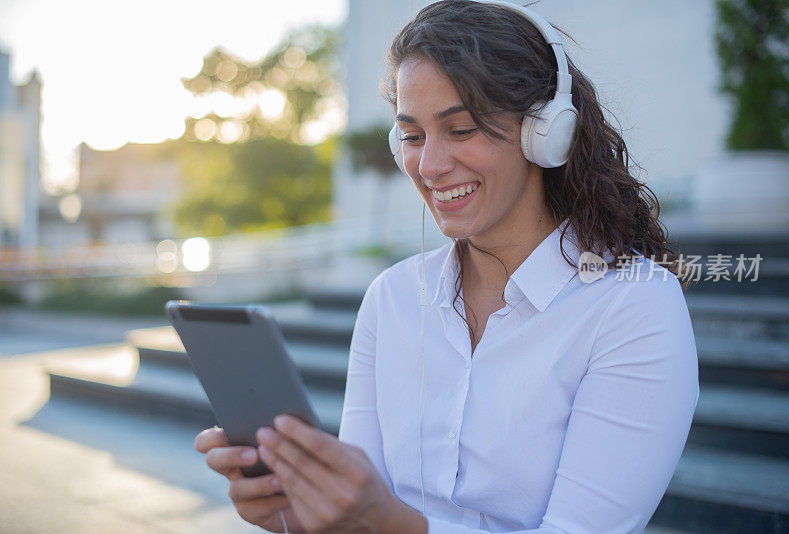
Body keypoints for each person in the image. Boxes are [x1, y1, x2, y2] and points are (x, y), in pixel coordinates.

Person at [194, 1, 700, 532]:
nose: (430, 166)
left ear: (545, 133)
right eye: (412, 137)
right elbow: (364, 514)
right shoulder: (391, 298)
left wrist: (387, 523)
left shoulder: (633, 307)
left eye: (461, 130)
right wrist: (296, 513)